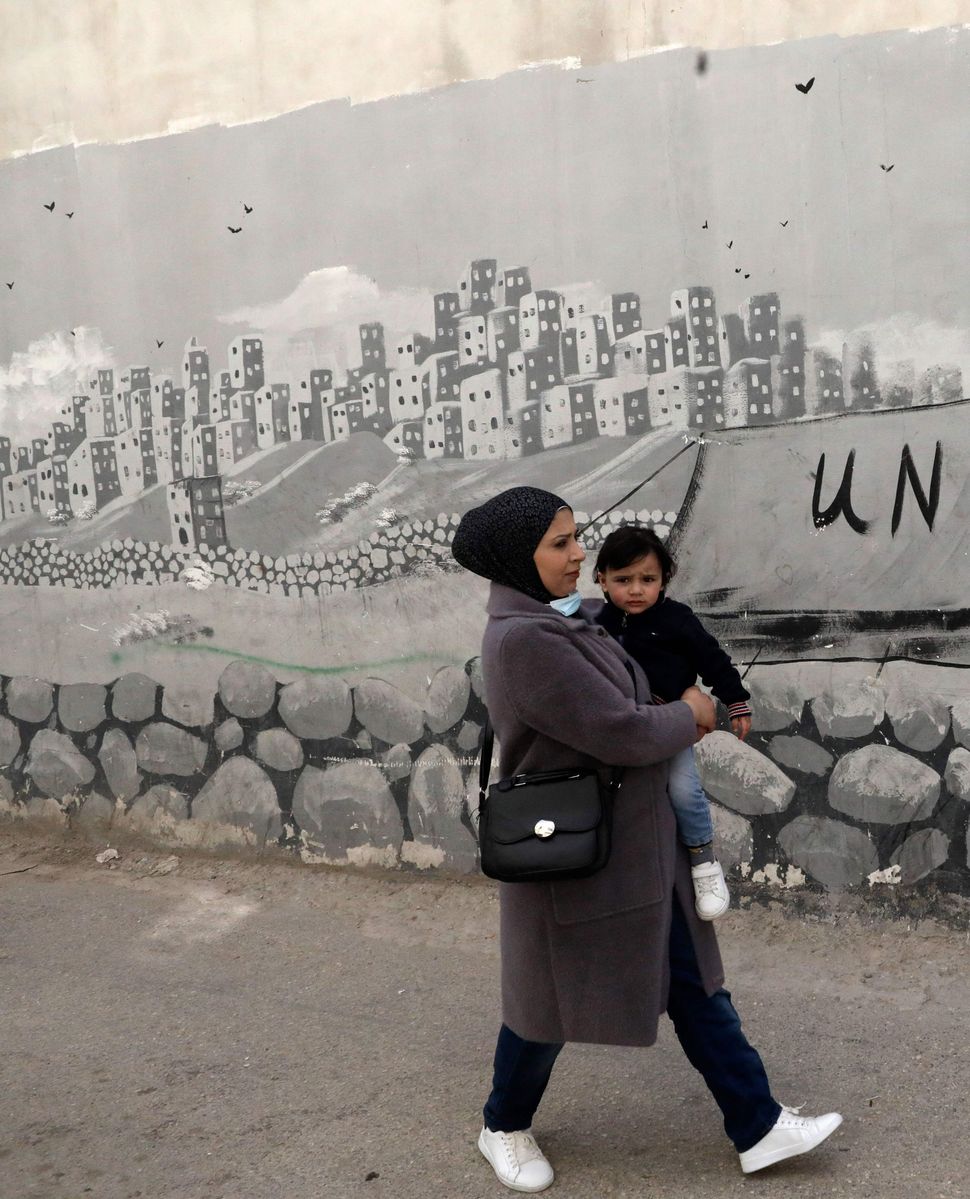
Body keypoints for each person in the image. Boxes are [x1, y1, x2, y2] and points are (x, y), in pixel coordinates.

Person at [451, 486, 841, 1194]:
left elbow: (638, 640)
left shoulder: (567, 618)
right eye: (562, 543)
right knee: (547, 1003)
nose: (579, 555)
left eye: (576, 538)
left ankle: (756, 1123)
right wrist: (694, 710)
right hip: (573, 850)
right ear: (518, 557)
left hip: (638, 842)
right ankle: (502, 1124)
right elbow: (623, 729)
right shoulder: (526, 639)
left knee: (693, 982)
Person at [592, 524, 752, 922]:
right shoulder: (595, 624)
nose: (635, 590)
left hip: (672, 725)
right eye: (623, 580)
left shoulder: (677, 620)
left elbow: (712, 659)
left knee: (683, 791)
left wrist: (735, 700)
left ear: (664, 579)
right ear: (602, 579)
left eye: (647, 580)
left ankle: (703, 864)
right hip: (622, 730)